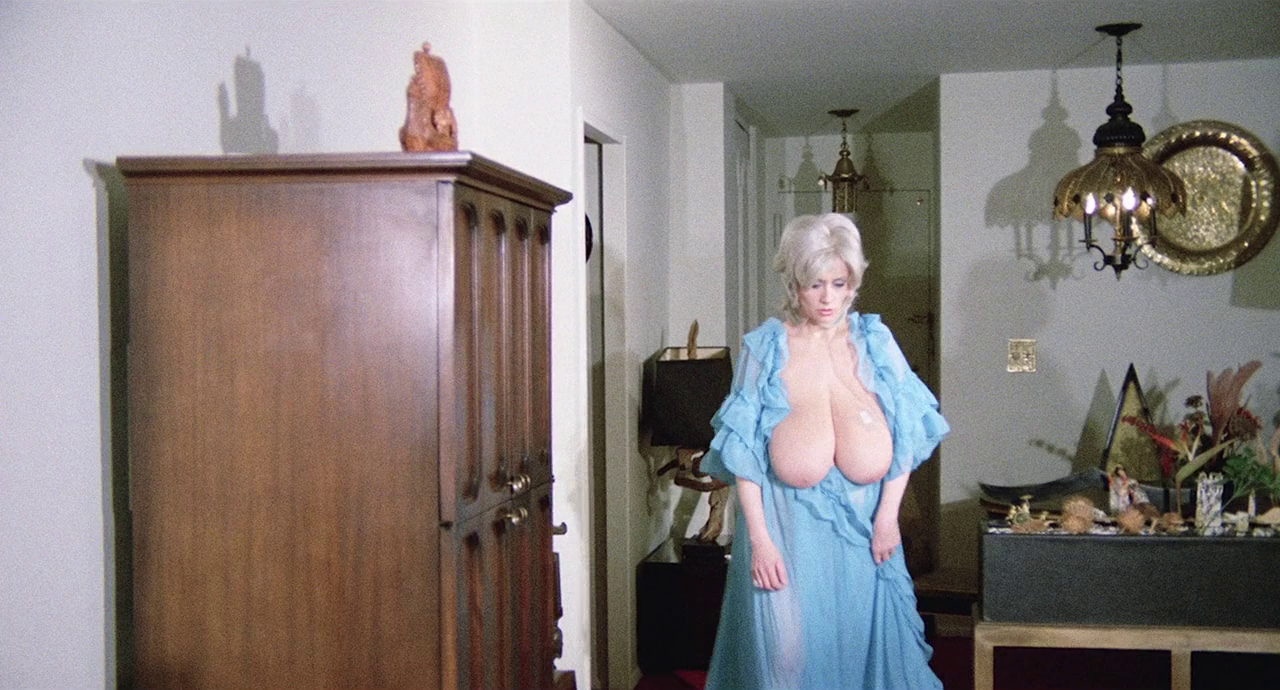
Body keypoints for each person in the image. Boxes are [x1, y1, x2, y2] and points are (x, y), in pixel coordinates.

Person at [701, 213, 949, 689]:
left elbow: (908, 434)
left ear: (853, 281)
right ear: (795, 283)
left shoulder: (875, 342)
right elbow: (744, 455)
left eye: (839, 283)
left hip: (867, 537)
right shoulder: (766, 348)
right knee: (785, 657)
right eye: (816, 284)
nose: (828, 298)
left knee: (859, 654)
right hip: (785, 535)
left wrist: (888, 518)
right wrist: (760, 541)